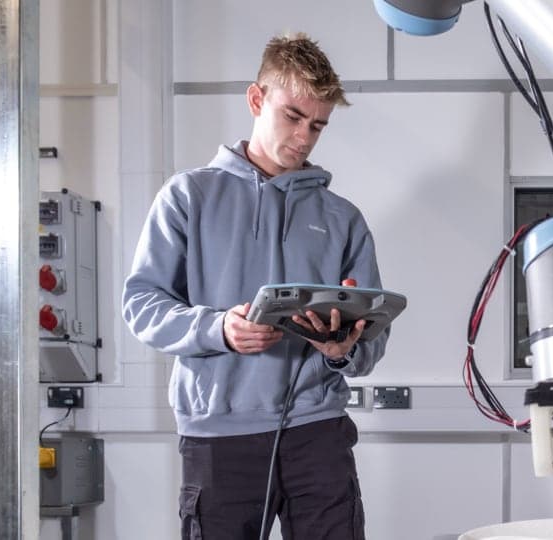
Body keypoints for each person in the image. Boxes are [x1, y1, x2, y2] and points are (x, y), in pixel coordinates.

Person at [122, 33, 389, 540]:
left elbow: (372, 339)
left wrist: (342, 350)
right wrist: (219, 329)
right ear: (256, 99)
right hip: (220, 436)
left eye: (317, 125)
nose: (304, 137)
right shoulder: (188, 196)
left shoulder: (343, 218)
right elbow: (141, 303)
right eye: (293, 116)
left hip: (318, 433)